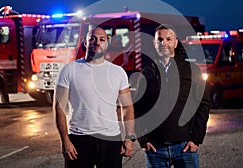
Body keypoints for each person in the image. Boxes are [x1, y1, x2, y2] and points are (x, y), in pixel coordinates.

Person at [54, 27, 135, 168]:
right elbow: (59, 107)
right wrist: (65, 141)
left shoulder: (118, 72)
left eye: (102, 39)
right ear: (85, 42)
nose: (97, 42)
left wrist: (129, 137)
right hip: (79, 140)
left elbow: (127, 107)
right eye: (93, 38)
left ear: (106, 44)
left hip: (111, 139)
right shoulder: (69, 70)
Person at [134, 24, 211, 168]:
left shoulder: (191, 70)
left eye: (169, 39)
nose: (164, 43)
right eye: (160, 39)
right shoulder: (147, 73)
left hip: (185, 149)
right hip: (156, 150)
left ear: (175, 43)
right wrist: (142, 139)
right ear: (154, 43)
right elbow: (137, 108)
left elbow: (204, 103)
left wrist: (196, 138)